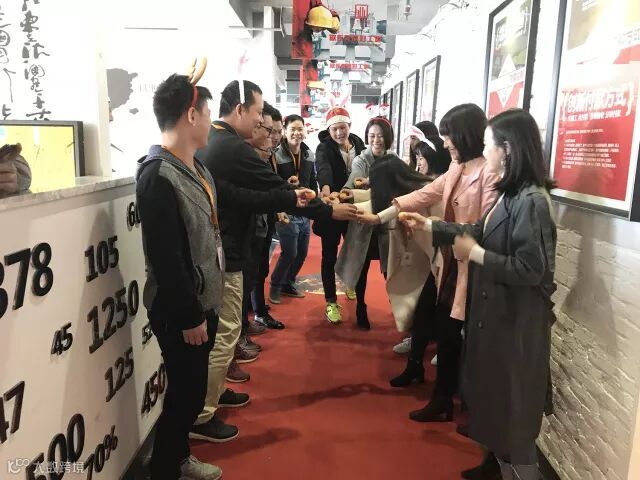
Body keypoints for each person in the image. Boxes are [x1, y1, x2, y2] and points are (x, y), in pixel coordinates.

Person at [195, 80, 357, 442]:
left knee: (228, 329)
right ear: (240, 110)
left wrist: (295, 198)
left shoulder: (218, 143)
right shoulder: (230, 147)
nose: (262, 124)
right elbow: (274, 189)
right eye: (257, 114)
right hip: (227, 252)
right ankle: (202, 415)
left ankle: (214, 395)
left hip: (225, 248)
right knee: (226, 332)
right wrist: (325, 210)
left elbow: (247, 196)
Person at [400, 108, 557, 480]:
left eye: (489, 145)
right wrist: (432, 225)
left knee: (515, 416)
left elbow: (531, 270)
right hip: (498, 317)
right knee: (497, 406)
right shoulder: (510, 192)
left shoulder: (532, 200)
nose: (484, 153)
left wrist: (476, 254)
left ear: (508, 148)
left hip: (516, 323)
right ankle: (498, 466)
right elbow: (478, 229)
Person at [358, 103, 500, 423]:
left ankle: (454, 401)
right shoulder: (457, 167)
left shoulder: (487, 173)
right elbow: (423, 196)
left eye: (448, 136)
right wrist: (379, 217)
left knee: (455, 335)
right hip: (449, 261)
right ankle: (435, 388)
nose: (445, 143)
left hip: (473, 265)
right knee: (434, 321)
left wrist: (432, 226)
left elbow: (484, 229)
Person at [135, 74, 223, 480]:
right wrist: (189, 316)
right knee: (186, 396)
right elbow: (166, 258)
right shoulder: (157, 175)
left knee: (190, 390)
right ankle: (166, 468)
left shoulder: (194, 165)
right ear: (191, 115)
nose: (210, 122)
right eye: (207, 113)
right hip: (181, 310)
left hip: (203, 299)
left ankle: (178, 457)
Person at [334, 117, 396, 330]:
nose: (376, 140)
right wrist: (347, 192)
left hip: (387, 222)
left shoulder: (394, 159)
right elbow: (353, 184)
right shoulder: (361, 160)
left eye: (380, 136)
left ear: (388, 137)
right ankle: (361, 306)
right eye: (372, 136)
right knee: (361, 266)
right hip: (364, 224)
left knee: (392, 268)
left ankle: (398, 305)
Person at [314, 106, 366, 324]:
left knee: (354, 251)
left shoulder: (360, 145)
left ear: (349, 126)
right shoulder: (323, 148)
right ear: (329, 130)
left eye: (342, 128)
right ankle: (331, 302)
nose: (339, 133)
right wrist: (326, 192)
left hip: (355, 206)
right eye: (334, 129)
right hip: (333, 208)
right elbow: (323, 168)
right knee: (329, 255)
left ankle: (351, 283)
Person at [269, 114, 315, 304]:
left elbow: (312, 182)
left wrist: (316, 200)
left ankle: (288, 283)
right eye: (292, 129)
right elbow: (272, 183)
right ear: (285, 132)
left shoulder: (308, 154)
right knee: (290, 252)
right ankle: (275, 285)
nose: (297, 133)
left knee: (302, 253)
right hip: (286, 211)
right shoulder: (275, 155)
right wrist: (286, 185)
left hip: (305, 211)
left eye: (300, 129)